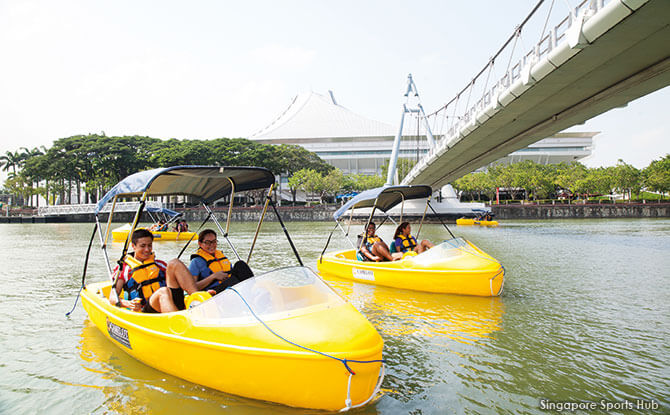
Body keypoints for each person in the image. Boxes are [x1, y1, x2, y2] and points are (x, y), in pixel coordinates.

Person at [108, 229, 225, 313]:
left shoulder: (159, 264)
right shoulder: (124, 268)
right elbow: (112, 297)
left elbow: (179, 284)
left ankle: (198, 299)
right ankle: (177, 324)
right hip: (146, 310)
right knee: (163, 291)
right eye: (142, 246)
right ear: (133, 246)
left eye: (150, 245)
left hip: (170, 303)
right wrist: (127, 303)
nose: (147, 249)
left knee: (174, 263)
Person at [188, 229, 254, 293]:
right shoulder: (195, 261)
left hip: (229, 285)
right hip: (213, 292)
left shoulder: (220, 255)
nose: (212, 245)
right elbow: (191, 288)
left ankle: (254, 290)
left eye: (214, 241)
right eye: (207, 242)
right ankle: (250, 293)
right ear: (200, 243)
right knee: (233, 281)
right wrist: (213, 276)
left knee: (240, 265)